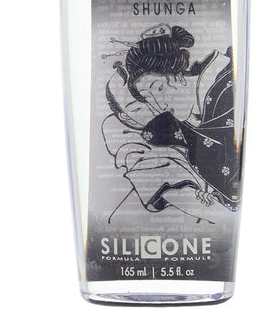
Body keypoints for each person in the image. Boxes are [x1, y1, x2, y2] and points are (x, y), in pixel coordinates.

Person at [101, 24, 242, 222]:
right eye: (147, 98)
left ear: (178, 76)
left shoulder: (227, 86)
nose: (159, 106)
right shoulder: (188, 120)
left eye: (159, 89)